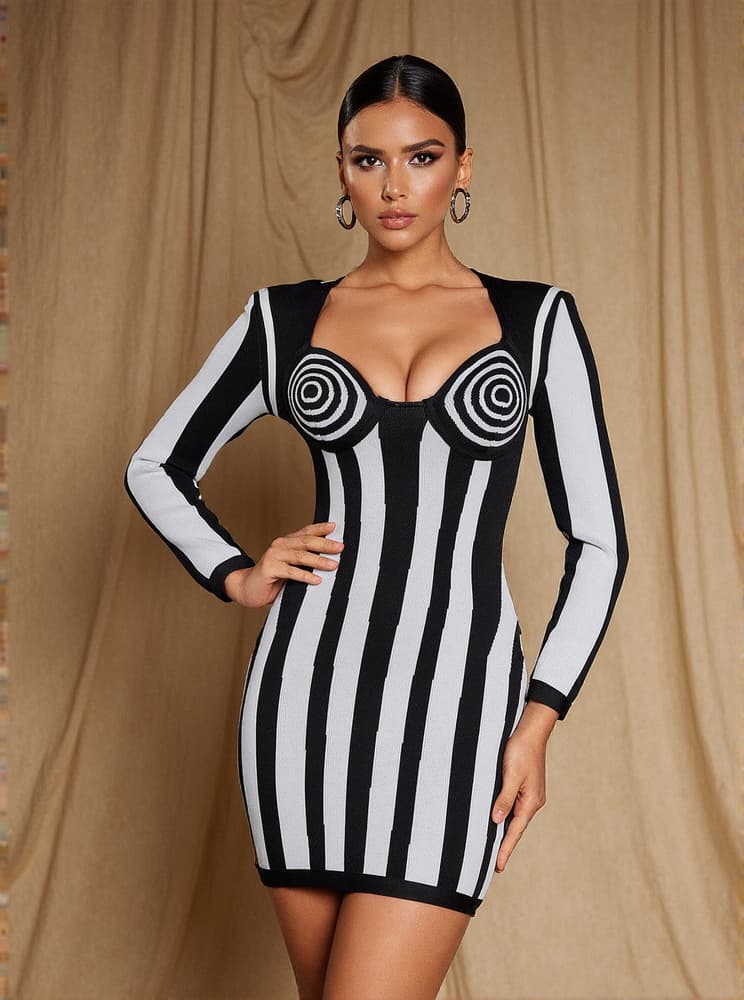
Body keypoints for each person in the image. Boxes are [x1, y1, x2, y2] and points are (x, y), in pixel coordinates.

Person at [125, 53, 629, 1000]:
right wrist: (237, 571)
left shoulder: (535, 321)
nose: (395, 187)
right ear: (343, 173)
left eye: (422, 157)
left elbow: (600, 543)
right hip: (301, 705)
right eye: (369, 160)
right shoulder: (283, 321)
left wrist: (538, 723)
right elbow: (153, 466)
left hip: (458, 715)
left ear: (463, 167)